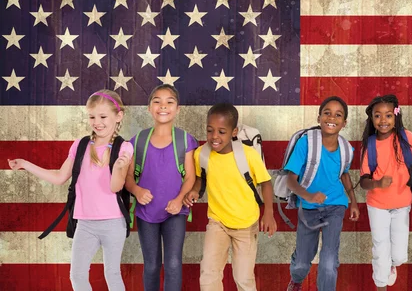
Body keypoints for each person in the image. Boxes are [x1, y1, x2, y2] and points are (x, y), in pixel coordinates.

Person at [8, 90, 132, 291]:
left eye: (103, 117)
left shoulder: (124, 147)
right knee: (77, 275)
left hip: (113, 223)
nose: (97, 122)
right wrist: (25, 164)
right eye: (92, 116)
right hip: (85, 223)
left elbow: (115, 187)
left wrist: (118, 168)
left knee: (112, 273)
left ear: (118, 116)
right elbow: (59, 177)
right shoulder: (80, 145)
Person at [183, 102, 276, 291]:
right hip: (218, 222)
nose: (214, 137)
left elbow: (266, 183)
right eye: (210, 130)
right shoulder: (202, 154)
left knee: (243, 279)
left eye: (221, 132)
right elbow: (201, 178)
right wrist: (194, 191)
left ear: (234, 132)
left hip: (246, 225)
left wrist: (269, 213)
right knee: (209, 274)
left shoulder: (248, 155)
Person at [125, 84, 197, 291]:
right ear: (149, 108)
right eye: (157, 101)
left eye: (169, 102)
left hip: (175, 211)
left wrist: (179, 199)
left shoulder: (185, 140)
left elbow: (190, 176)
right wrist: (137, 191)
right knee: (152, 265)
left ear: (178, 108)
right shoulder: (138, 141)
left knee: (173, 263)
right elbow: (128, 178)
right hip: (146, 213)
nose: (163, 106)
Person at [286, 96, 360, 291]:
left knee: (328, 262)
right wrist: (308, 196)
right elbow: (290, 179)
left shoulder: (346, 148)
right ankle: (296, 280)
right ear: (319, 118)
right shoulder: (305, 143)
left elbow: (343, 174)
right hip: (308, 208)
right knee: (302, 263)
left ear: (344, 123)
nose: (332, 118)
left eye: (338, 115)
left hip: (335, 206)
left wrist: (353, 201)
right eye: (327, 113)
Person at [358, 94, 412, 290]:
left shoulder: (406, 137)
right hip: (377, 205)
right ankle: (381, 284)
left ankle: (392, 265)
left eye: (388, 115)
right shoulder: (370, 144)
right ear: (372, 118)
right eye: (378, 116)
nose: (383, 120)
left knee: (399, 255)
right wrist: (377, 183)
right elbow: (363, 182)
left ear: (396, 116)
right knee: (380, 249)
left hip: (402, 203)